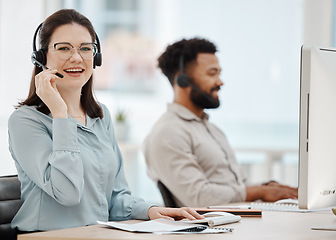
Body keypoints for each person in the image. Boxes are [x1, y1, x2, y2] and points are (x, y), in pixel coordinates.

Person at [8, 9, 203, 232]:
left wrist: (150, 210)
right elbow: (67, 193)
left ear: (96, 57)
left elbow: (114, 197)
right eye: (63, 48)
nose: (76, 57)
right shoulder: (25, 121)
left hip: (95, 235)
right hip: (46, 237)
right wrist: (60, 114)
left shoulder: (100, 116)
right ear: (41, 57)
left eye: (86, 48)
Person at [143, 38, 298, 207]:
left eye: (219, 73)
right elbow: (199, 198)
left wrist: (268, 188)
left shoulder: (212, 130)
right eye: (212, 74)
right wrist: (260, 192)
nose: (220, 82)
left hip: (237, 221)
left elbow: (238, 188)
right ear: (183, 80)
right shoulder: (168, 132)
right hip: (213, 229)